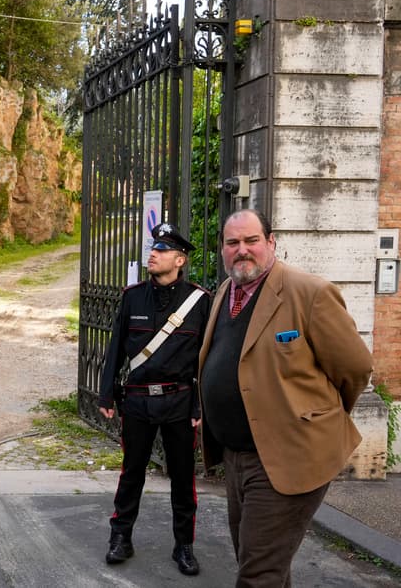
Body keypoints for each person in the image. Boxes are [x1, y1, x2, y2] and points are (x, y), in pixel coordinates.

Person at [198, 209, 373, 586]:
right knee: (262, 563)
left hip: (286, 456)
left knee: (258, 574)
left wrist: (316, 418)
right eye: (232, 243)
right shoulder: (226, 292)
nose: (242, 250)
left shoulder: (308, 293)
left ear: (271, 242)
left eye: (251, 241)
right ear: (223, 250)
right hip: (236, 456)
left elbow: (355, 368)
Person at [98, 222, 210, 576]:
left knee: (182, 477)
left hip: (179, 402)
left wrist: (199, 406)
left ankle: (184, 546)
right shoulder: (132, 297)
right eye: (153, 249)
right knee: (131, 474)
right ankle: (120, 538)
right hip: (137, 402)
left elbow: (205, 361)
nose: (153, 254)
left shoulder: (199, 302)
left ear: (179, 259)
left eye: (161, 251)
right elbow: (115, 348)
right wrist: (106, 392)